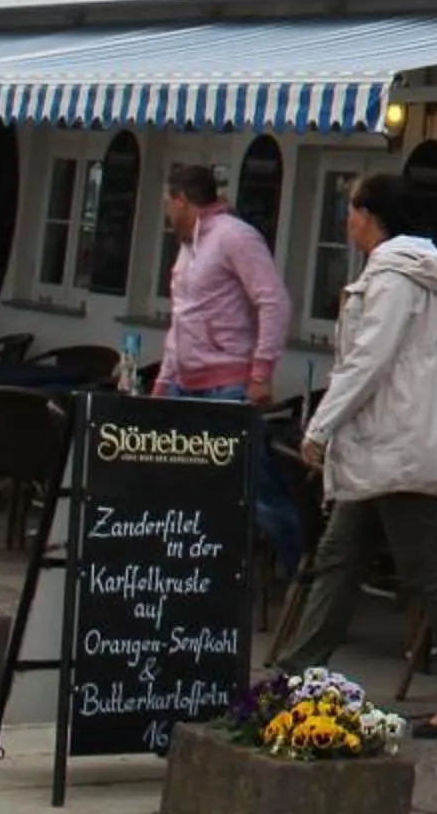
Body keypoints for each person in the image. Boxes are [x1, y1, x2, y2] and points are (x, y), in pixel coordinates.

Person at [275, 172, 437, 739]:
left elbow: (367, 362)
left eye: (350, 208)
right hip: (389, 450)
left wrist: (320, 428)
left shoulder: (396, 280)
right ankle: (297, 673)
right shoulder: (425, 280)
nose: (345, 220)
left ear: (369, 215)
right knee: (339, 557)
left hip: (399, 450)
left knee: (428, 570)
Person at [158, 163, 300, 572]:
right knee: (185, 484)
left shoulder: (235, 237)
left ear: (182, 199)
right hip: (186, 382)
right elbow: (181, 319)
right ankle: (197, 572)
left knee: (255, 491)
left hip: (227, 384)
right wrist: (165, 381)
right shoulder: (188, 247)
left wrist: (260, 372)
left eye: (169, 203)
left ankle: (299, 575)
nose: (167, 212)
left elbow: (273, 301)